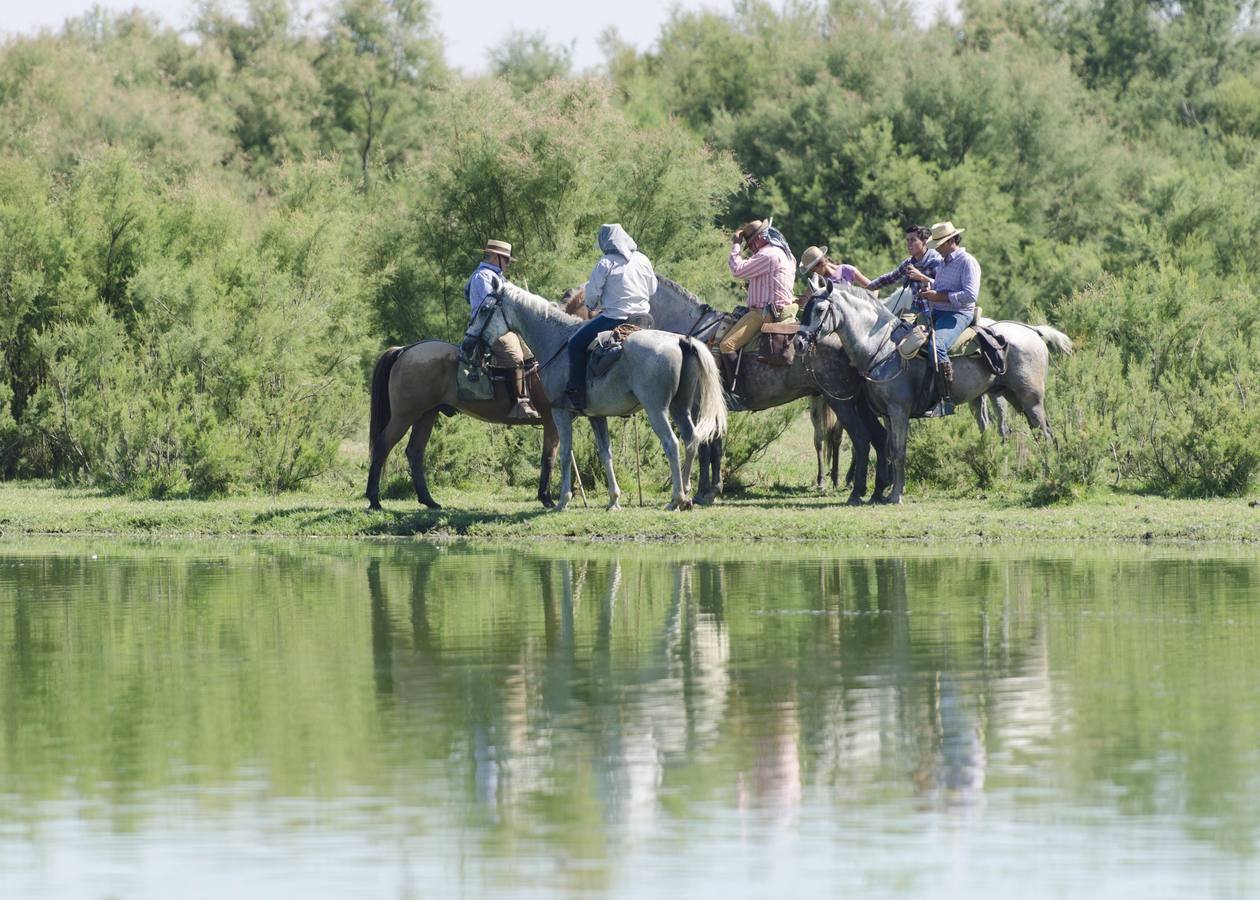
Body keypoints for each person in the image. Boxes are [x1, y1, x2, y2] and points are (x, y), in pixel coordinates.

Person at [561, 224, 657, 411]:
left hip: (616, 318)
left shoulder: (605, 263)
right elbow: (653, 289)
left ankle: (577, 393)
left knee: (575, 344)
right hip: (644, 319)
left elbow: (591, 296)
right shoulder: (642, 259)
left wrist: (592, 306)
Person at [906, 221, 980, 417]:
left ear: (951, 241)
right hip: (937, 311)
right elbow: (940, 286)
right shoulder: (943, 263)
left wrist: (938, 296)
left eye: (940, 243)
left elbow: (970, 295)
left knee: (937, 347)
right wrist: (929, 288)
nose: (937, 248)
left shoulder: (967, 261)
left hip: (958, 314)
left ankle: (946, 401)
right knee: (903, 337)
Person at [720, 218, 797, 403]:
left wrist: (736, 244)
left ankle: (736, 394)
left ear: (759, 239)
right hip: (785, 310)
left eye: (751, 243)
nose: (752, 248)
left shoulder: (767, 254)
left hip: (764, 314)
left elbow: (737, 270)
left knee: (726, 345)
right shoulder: (787, 255)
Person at [465, 239, 539, 420]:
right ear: (497, 258)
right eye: (506, 260)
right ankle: (519, 404)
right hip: (489, 328)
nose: (507, 264)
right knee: (514, 356)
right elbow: (489, 308)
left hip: (504, 326)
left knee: (531, 352)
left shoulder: (497, 277)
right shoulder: (482, 277)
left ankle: (534, 398)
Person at [865, 224, 943, 308]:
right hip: (917, 312)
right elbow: (891, 278)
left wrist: (921, 277)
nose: (909, 244)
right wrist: (868, 288)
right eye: (908, 240)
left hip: (936, 312)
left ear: (924, 242)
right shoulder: (910, 263)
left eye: (913, 240)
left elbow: (943, 288)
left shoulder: (937, 261)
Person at [798, 245, 873, 290]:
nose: (813, 274)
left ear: (821, 264)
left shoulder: (847, 270)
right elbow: (804, 299)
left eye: (812, 270)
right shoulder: (817, 282)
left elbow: (873, 287)